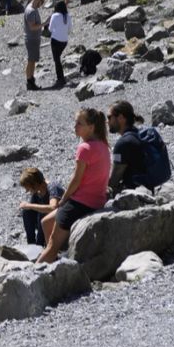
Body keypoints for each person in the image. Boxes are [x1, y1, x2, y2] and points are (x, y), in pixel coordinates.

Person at [37, 108, 110, 263]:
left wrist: (63, 200)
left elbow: (76, 180)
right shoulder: (103, 145)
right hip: (97, 200)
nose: (75, 126)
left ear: (91, 127)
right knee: (46, 222)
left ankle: (36, 271)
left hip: (81, 203)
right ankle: (54, 258)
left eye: (79, 123)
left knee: (51, 245)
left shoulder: (84, 148)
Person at [107, 101, 147, 196]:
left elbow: (114, 181)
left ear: (121, 118)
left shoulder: (123, 144)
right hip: (149, 186)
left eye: (109, 117)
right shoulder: (138, 134)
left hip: (134, 194)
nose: (107, 121)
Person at [18, 167, 65, 246]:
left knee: (42, 213)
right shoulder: (38, 191)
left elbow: (53, 208)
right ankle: (31, 244)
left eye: (28, 188)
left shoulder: (53, 187)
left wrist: (29, 205)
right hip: (43, 223)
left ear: (34, 184)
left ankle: (40, 244)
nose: (27, 191)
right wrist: (28, 207)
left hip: (58, 221)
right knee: (26, 212)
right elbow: (33, 209)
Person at [24, 0, 45, 91]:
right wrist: (45, 23)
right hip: (32, 39)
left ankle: (31, 79)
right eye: (40, 3)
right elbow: (32, 27)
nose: (39, 6)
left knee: (32, 60)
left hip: (33, 38)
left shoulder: (31, 6)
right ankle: (30, 82)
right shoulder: (31, 11)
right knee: (31, 60)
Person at [48, 0, 71, 88]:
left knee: (56, 60)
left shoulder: (54, 15)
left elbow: (50, 29)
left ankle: (60, 79)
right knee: (58, 58)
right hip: (64, 41)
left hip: (55, 40)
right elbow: (69, 30)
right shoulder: (68, 16)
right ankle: (61, 78)